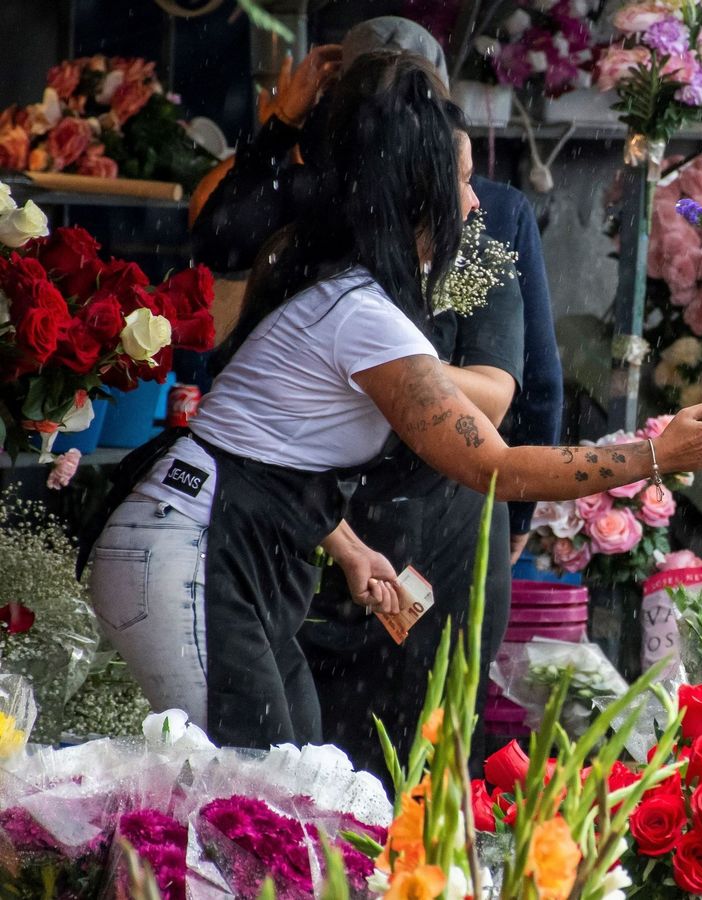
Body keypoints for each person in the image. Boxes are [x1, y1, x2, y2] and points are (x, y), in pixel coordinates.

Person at [85, 51, 702, 751]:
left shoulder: (339, 279)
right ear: (416, 193)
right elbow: (495, 468)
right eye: (460, 182)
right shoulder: (364, 316)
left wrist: (345, 547)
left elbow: (266, 446)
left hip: (221, 544)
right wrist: (659, 452)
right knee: (254, 799)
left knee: (293, 780)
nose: (475, 205)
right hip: (190, 551)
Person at [185, 18, 554, 770]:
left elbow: (512, 387)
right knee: (292, 762)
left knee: (411, 762)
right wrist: (275, 129)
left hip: (431, 534)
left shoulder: (480, 216)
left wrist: (375, 367)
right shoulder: (306, 198)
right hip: (300, 525)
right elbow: (217, 242)